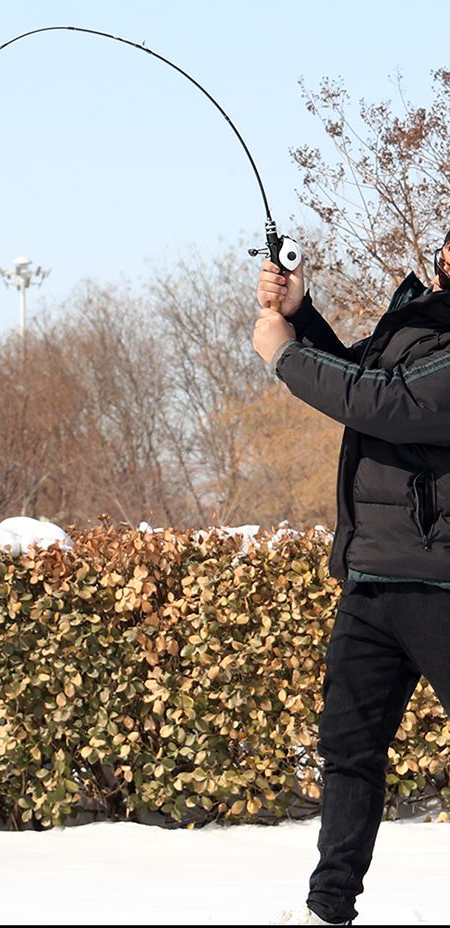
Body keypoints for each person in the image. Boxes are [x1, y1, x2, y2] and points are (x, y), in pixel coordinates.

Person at [252, 232, 450, 926]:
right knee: (347, 751)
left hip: (440, 583)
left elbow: (383, 404)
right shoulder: (420, 321)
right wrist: (301, 315)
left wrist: (283, 355)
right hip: (372, 580)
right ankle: (329, 909)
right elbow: (358, 375)